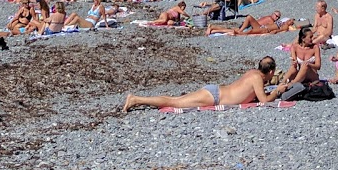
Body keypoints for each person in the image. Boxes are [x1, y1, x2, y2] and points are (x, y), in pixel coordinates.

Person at [122, 56, 295, 112]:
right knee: (173, 102)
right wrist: (278, 91)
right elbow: (264, 101)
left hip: (215, 91)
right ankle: (136, 99)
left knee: (175, 99)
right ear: (271, 72)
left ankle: (137, 99)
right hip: (215, 97)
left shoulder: (252, 73)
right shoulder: (257, 79)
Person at [205, 10, 292, 36]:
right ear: (273, 14)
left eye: (278, 17)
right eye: (276, 15)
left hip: (250, 26)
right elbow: (266, 28)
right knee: (248, 18)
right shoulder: (270, 19)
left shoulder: (268, 17)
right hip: (252, 27)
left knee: (231, 30)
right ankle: (213, 29)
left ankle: (213, 29)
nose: (276, 17)